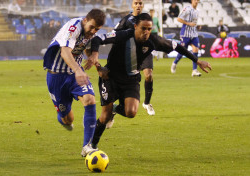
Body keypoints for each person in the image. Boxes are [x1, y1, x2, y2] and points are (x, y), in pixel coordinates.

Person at [85, 13, 211, 150]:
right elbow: (97, 38)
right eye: (143, 28)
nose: (146, 32)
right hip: (109, 77)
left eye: (149, 29)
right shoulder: (123, 35)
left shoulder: (154, 40)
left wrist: (198, 61)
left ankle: (115, 109)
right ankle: (92, 146)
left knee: (131, 113)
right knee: (105, 115)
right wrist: (96, 61)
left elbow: (177, 47)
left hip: (131, 80)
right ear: (135, 27)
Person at [43, 9, 106, 157]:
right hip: (56, 76)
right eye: (92, 27)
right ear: (85, 20)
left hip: (75, 75)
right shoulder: (73, 27)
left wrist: (94, 58)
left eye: (97, 29)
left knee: (90, 100)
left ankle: (87, 146)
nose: (93, 31)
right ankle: (62, 117)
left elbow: (88, 46)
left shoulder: (90, 33)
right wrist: (79, 70)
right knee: (68, 118)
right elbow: (65, 52)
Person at [113, 0, 155, 119]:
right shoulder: (126, 20)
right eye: (136, 3)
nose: (138, 5)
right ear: (132, 5)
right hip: (130, 55)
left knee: (149, 75)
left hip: (145, 51)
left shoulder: (146, 19)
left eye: (140, 3)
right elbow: (115, 33)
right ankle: (116, 107)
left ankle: (147, 103)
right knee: (127, 80)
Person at [171, 0, 202, 77]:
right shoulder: (187, 9)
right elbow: (178, 19)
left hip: (194, 34)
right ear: (192, 1)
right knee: (183, 51)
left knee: (195, 50)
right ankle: (175, 63)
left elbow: (194, 22)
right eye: (195, 0)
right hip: (185, 34)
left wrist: (197, 26)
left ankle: (194, 70)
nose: (196, 1)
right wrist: (188, 23)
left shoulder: (198, 11)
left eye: (198, 0)